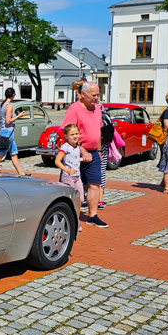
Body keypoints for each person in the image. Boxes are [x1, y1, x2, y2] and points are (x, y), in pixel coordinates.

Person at [62, 81, 106, 227]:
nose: (96, 98)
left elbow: (98, 131)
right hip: (75, 154)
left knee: (95, 184)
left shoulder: (97, 108)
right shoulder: (74, 110)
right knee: (72, 187)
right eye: (93, 95)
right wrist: (82, 150)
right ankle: (72, 218)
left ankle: (93, 215)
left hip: (93, 154)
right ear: (83, 94)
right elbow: (67, 134)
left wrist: (99, 150)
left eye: (97, 95)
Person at [0, 88, 28, 175]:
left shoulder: (0, 105)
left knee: (14, 153)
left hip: (2, 131)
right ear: (13, 95)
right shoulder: (9, 106)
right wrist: (18, 116)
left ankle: (21, 172)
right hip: (8, 132)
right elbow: (8, 121)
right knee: (0, 154)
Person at [55, 124, 83, 229]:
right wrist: (67, 170)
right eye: (72, 134)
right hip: (68, 177)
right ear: (66, 136)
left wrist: (81, 160)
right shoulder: (65, 147)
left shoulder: (77, 146)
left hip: (77, 176)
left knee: (80, 199)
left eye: (77, 133)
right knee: (70, 200)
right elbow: (57, 161)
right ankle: (69, 222)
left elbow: (74, 158)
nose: (75, 136)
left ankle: (76, 220)